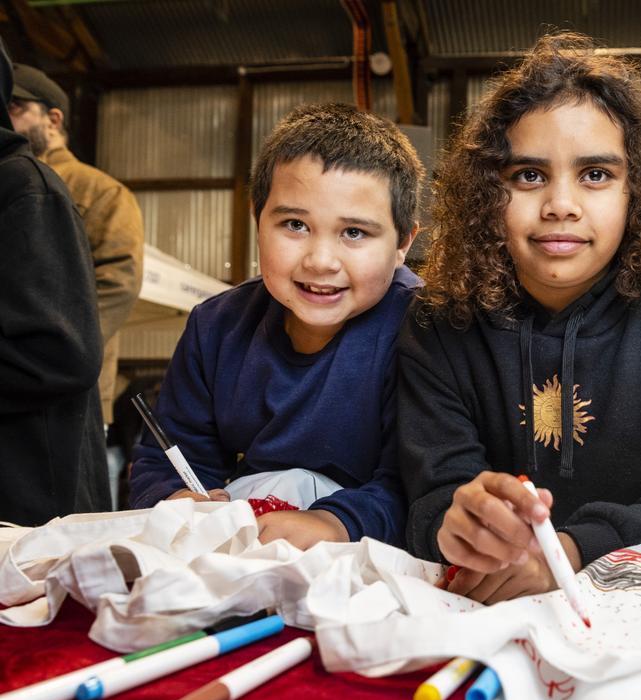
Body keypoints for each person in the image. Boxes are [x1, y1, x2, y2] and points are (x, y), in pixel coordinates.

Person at [399, 32, 641, 604]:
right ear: (488, 193)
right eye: (528, 176)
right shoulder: (436, 322)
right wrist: (458, 524)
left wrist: (568, 552)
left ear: (638, 192)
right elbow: (429, 494)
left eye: (596, 175)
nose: (560, 203)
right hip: (482, 601)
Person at [129, 103, 423, 549]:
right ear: (257, 218)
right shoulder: (216, 326)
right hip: (247, 550)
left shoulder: (426, 328)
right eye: (294, 224)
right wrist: (173, 497)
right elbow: (168, 456)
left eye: (355, 233)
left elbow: (423, 482)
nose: (321, 261)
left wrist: (335, 523)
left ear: (403, 243)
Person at [0, 39, 110, 525]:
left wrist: (83, 324)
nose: (15, 115)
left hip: (32, 489)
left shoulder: (37, 186)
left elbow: (68, 344)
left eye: (22, 107)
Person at [9, 64, 144, 437]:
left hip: (68, 394)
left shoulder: (101, 192)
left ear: (53, 119)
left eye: (16, 107)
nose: (6, 118)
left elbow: (120, 281)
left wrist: (51, 354)